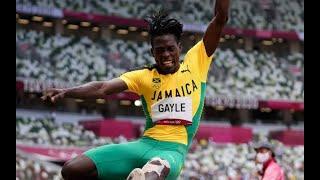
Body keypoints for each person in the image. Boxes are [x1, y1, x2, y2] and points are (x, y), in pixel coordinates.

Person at [42, 0, 230, 179]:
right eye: (160, 50)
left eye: (170, 49)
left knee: (152, 173)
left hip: (172, 151)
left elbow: (220, 18)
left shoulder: (197, 62)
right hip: (143, 145)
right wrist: (66, 92)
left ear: (179, 47)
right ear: (152, 52)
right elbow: (103, 88)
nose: (166, 54)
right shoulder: (143, 76)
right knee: (71, 170)